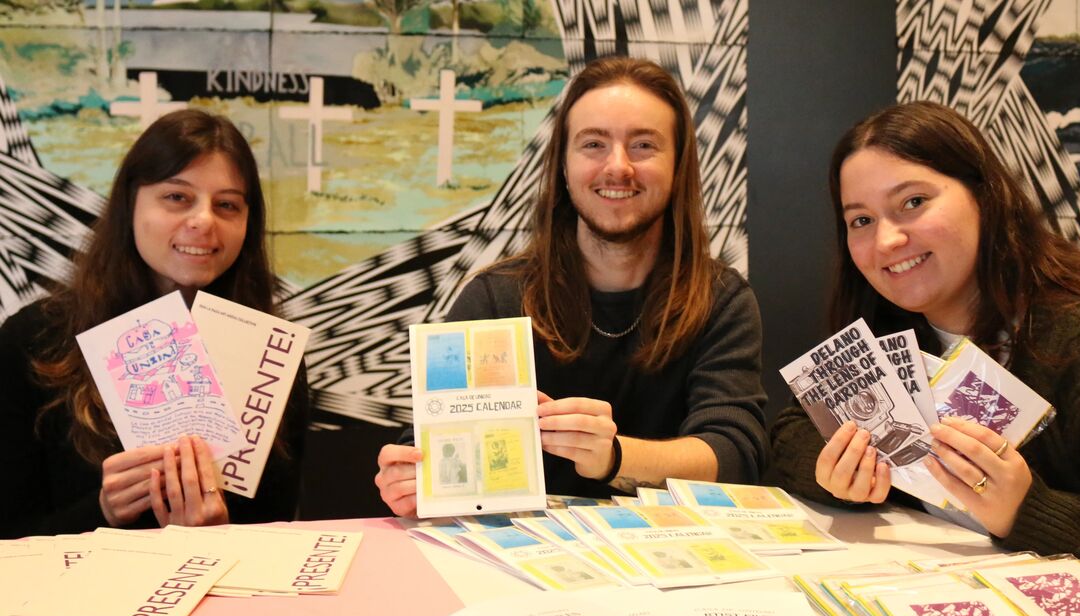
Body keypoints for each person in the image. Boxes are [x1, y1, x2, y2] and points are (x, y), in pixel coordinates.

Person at [764, 101, 1080, 616]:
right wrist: (840, 473)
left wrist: (1027, 513)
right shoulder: (896, 330)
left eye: (913, 202)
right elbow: (791, 433)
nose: (886, 241)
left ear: (986, 196)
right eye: (861, 220)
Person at [376, 56, 768, 513]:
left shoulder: (721, 300)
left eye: (643, 145)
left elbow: (736, 454)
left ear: (678, 165)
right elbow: (429, 439)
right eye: (593, 145)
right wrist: (410, 478)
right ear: (563, 165)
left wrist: (616, 456)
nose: (618, 167)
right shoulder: (494, 297)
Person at [0, 109, 309, 539]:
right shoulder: (33, 342)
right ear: (130, 204)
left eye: (227, 205)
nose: (203, 221)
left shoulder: (271, 356)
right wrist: (102, 511)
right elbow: (9, 536)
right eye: (177, 197)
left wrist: (217, 532)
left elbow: (278, 531)